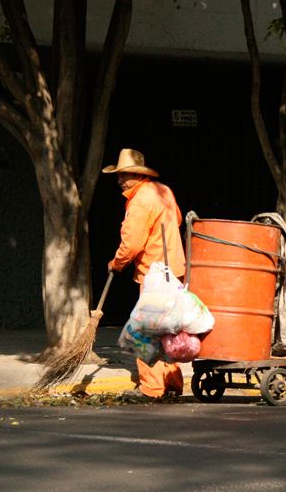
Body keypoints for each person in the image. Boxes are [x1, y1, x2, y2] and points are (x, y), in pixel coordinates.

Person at [102, 148, 186, 398]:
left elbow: (132, 244)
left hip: (154, 274)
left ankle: (151, 387)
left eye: (123, 175)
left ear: (138, 175)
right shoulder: (163, 191)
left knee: (145, 332)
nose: (119, 181)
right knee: (168, 330)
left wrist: (116, 263)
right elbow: (178, 219)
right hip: (174, 270)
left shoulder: (140, 201)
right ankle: (171, 384)